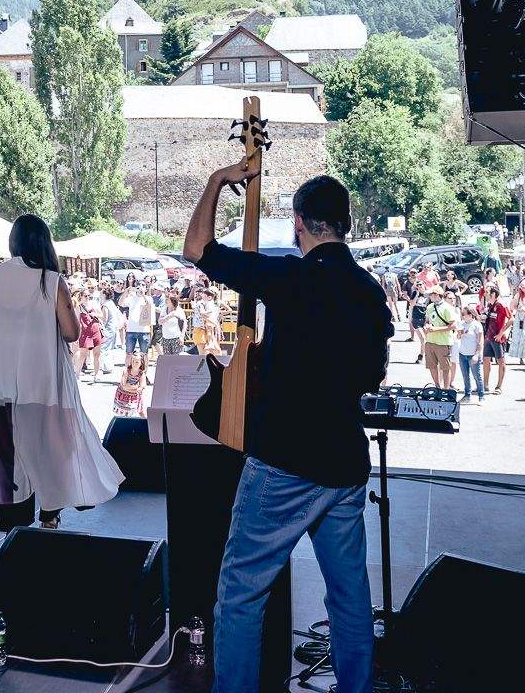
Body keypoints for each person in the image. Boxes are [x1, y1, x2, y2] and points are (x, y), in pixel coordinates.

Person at [184, 169, 392, 693]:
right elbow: (372, 374)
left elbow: (197, 249)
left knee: (240, 595)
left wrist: (218, 180)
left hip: (283, 465)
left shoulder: (288, 278)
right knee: (349, 599)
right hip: (344, 465)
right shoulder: (370, 292)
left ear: (299, 224)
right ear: (345, 224)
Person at [0, 215, 124, 531]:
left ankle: (13, 529)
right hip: (42, 385)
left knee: (8, 459)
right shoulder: (51, 281)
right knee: (48, 453)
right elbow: (71, 332)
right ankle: (49, 517)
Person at [422, 285, 457, 389]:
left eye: (431, 294)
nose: (430, 296)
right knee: (431, 366)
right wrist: (426, 326)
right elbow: (427, 321)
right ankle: (437, 386)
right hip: (430, 340)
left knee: (445, 367)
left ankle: (445, 389)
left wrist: (436, 329)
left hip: (443, 342)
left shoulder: (447, 307)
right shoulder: (429, 307)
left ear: (437, 295)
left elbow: (453, 325)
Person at [481, 284, 511, 394]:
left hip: (497, 337)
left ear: (493, 294)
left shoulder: (501, 305)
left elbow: (511, 319)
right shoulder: (490, 305)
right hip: (488, 336)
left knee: (500, 360)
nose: (485, 294)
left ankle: (499, 386)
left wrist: (501, 333)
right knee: (486, 359)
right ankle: (485, 385)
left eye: (487, 292)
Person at [455, 303, 484, 402]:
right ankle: (467, 395)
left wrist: (477, 354)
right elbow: (458, 337)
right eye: (462, 314)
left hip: (473, 354)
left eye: (464, 314)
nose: (462, 316)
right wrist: (460, 333)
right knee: (465, 376)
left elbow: (480, 341)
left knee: (477, 376)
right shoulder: (461, 324)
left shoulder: (477, 325)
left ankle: (481, 396)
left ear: (470, 315)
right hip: (462, 353)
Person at [112, 350, 151, 417]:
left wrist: (131, 387)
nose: (134, 363)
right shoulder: (127, 371)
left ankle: (145, 421)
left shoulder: (141, 374)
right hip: (124, 395)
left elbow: (142, 386)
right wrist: (135, 387)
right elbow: (123, 385)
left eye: (136, 362)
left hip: (135, 396)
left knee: (140, 410)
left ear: (141, 363)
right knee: (124, 412)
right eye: (133, 361)